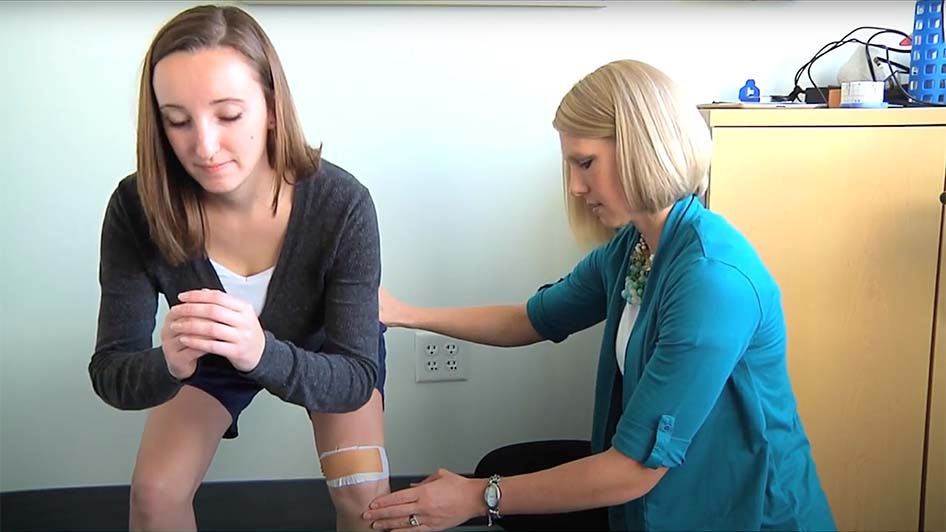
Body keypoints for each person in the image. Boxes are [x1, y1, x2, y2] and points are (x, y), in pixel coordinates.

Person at [364, 59, 836, 531]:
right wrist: (404, 313)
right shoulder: (634, 250)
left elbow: (634, 468)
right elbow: (531, 319)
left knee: (499, 480)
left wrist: (477, 496)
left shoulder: (712, 282)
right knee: (506, 462)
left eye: (585, 163)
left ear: (642, 149)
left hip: (743, 513)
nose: (573, 186)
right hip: (658, 496)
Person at [88, 5, 389, 531]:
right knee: (155, 495)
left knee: (364, 496)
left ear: (272, 108)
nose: (203, 147)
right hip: (207, 355)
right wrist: (171, 363)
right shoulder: (136, 208)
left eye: (228, 115)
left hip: (324, 352)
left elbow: (355, 376)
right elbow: (111, 373)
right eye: (177, 120)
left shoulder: (343, 205)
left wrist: (261, 351)